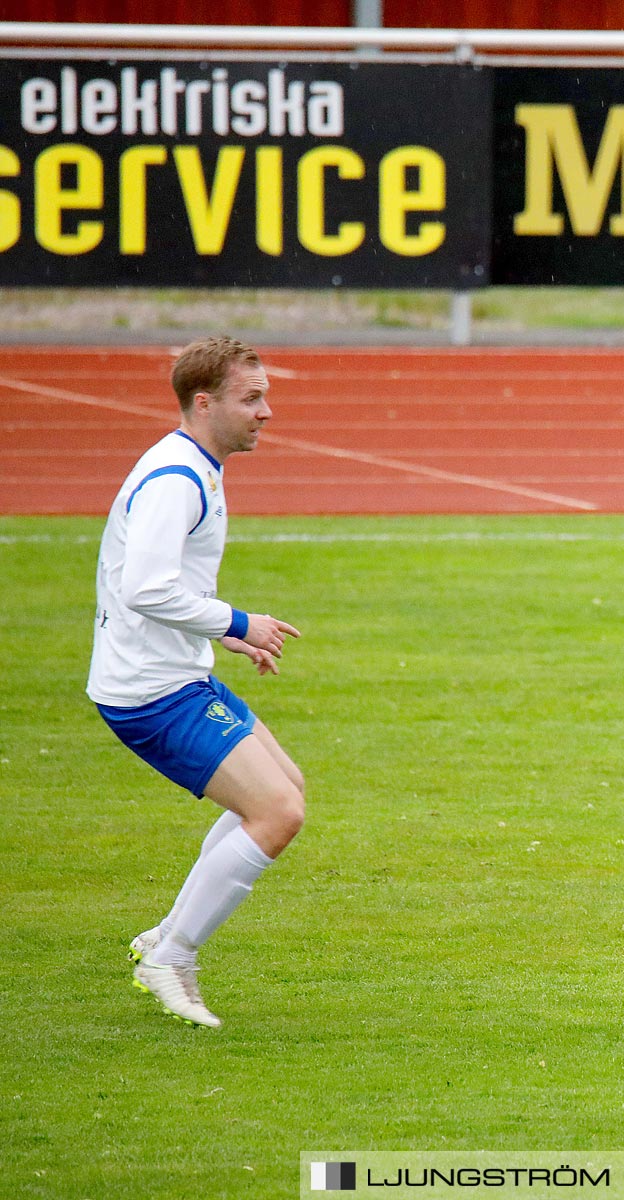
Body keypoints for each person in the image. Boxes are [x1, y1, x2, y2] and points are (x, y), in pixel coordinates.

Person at [89, 336, 304, 1029]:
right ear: (204, 403)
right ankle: (171, 957)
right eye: (252, 398)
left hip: (176, 673)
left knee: (285, 790)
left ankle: (166, 936)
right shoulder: (177, 479)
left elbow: (164, 587)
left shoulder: (195, 465)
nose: (267, 411)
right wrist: (240, 617)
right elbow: (145, 586)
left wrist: (229, 636)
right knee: (276, 813)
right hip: (151, 692)